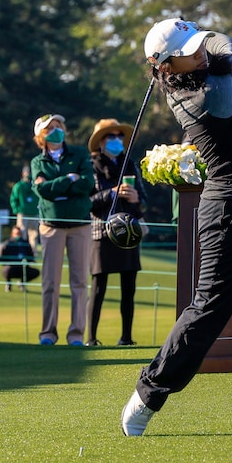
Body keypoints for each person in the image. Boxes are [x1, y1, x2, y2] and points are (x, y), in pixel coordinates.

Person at [121, 18, 232, 438]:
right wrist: (210, 35)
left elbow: (216, 49)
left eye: (197, 46)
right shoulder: (204, 99)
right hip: (231, 211)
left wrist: (194, 33)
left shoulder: (201, 66)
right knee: (210, 309)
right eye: (187, 52)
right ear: (167, 68)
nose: (199, 52)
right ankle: (149, 391)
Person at [30, 113, 94, 346]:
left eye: (58, 126)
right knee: (50, 282)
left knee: (79, 282)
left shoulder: (79, 154)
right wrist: (69, 179)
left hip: (79, 225)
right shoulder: (38, 162)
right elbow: (42, 191)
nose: (56, 130)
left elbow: (87, 184)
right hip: (51, 226)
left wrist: (57, 187)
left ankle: (76, 334)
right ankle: (48, 333)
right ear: (41, 136)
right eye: (49, 128)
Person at [86, 118, 146, 347]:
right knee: (98, 287)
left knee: (128, 287)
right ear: (101, 142)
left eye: (119, 136)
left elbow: (143, 199)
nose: (116, 140)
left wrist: (136, 198)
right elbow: (88, 201)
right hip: (101, 231)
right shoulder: (90, 166)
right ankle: (91, 338)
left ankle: (126, 338)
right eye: (111, 136)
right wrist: (112, 193)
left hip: (129, 232)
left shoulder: (128, 164)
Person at [0, 226, 40, 291]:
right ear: (12, 234)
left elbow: (31, 255)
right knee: (7, 270)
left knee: (35, 272)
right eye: (16, 233)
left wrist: (29, 260)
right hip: (11, 267)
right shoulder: (7, 243)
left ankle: (21, 283)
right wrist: (8, 262)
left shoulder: (25, 243)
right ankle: (8, 284)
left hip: (23, 267)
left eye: (19, 233)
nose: (18, 235)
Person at [10, 165, 40, 251]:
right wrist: (17, 210)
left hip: (34, 213)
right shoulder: (19, 186)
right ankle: (21, 251)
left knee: (34, 235)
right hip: (23, 213)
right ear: (23, 174)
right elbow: (13, 199)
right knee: (21, 234)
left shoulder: (35, 185)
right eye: (27, 172)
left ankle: (32, 254)